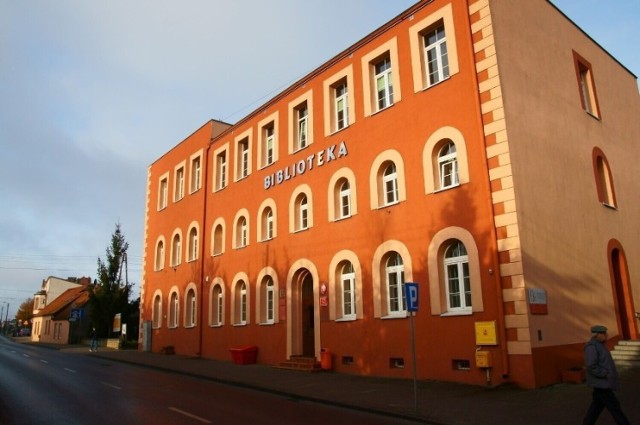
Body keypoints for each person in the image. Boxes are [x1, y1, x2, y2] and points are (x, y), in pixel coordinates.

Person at [583, 325, 630, 425]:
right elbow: (591, 365)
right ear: (597, 335)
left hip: (603, 382)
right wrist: (604, 373)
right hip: (601, 383)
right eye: (604, 333)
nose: (606, 335)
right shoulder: (591, 347)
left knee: (596, 407)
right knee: (614, 407)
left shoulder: (600, 345)